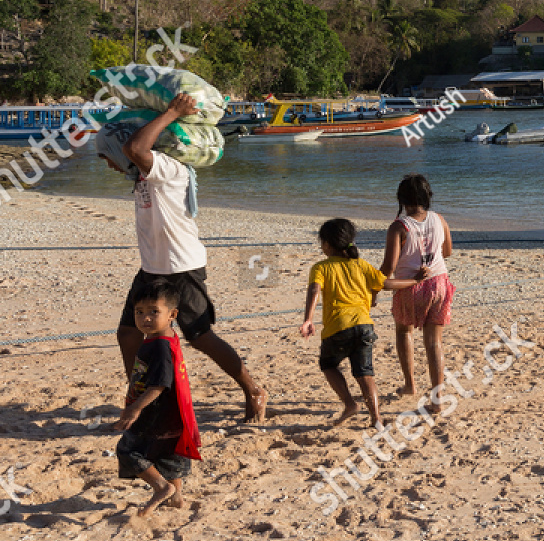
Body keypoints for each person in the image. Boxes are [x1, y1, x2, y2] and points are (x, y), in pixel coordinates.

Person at [97, 94, 267, 423]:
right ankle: (139, 395)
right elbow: (133, 153)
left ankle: (253, 389)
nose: (108, 164)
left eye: (107, 156)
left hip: (181, 268)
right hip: (150, 270)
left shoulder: (169, 169)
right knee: (128, 333)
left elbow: (135, 150)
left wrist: (174, 111)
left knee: (201, 337)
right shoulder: (142, 176)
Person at [300, 219, 423, 427]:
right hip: (365, 327)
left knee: (328, 364)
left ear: (327, 245)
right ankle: (376, 418)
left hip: (337, 327)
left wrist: (308, 319)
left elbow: (314, 290)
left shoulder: (320, 267)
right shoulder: (361, 265)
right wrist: (416, 280)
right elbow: (387, 284)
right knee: (365, 373)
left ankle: (350, 404)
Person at [113, 278, 201, 517]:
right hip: (175, 416)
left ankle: (161, 487)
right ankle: (177, 498)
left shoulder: (159, 347)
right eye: (139, 312)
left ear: (172, 313)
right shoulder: (168, 337)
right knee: (170, 457)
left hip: (154, 414)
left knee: (127, 450)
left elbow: (160, 384)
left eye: (154, 311)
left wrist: (135, 409)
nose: (146, 318)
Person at [380, 174, 455, 397]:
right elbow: (447, 252)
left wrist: (374, 286)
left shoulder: (399, 227)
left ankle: (410, 385)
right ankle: (438, 397)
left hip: (409, 286)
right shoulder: (439, 219)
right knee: (434, 343)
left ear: (402, 200)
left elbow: (388, 267)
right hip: (439, 282)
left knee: (404, 331)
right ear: (427, 196)